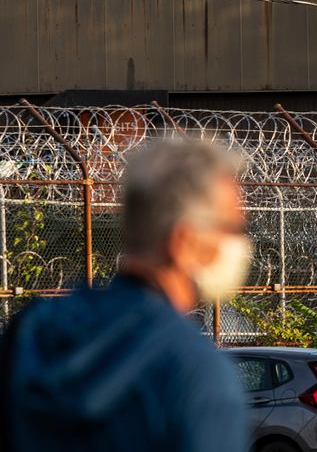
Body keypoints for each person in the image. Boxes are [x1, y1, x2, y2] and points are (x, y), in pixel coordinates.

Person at [0, 137, 252, 451]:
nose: (242, 245)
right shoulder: (197, 375)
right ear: (184, 241)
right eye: (233, 229)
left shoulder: (32, 333)